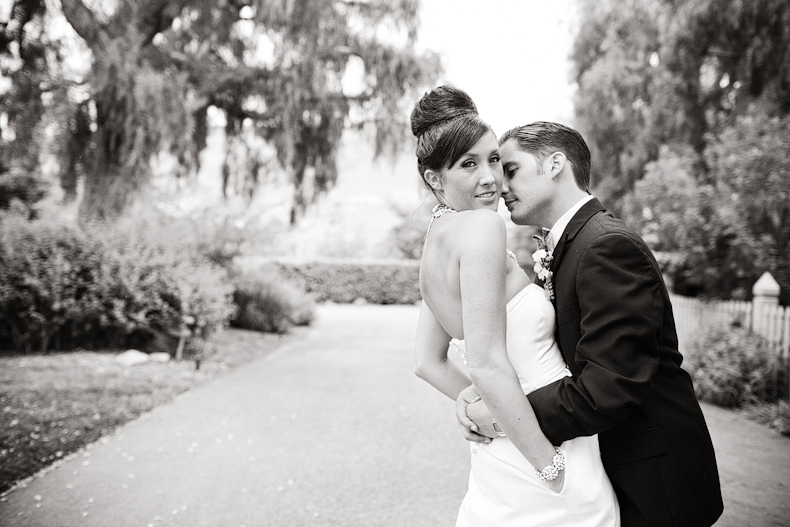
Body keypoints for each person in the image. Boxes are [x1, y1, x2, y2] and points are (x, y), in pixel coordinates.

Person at [458, 122, 724, 527]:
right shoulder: (570, 244)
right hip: (607, 463)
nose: (498, 183)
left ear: (555, 164)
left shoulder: (606, 246)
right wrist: (481, 394)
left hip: (650, 478)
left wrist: (502, 417)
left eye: (510, 169)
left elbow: (609, 387)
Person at [412, 86, 620, 526]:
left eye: (493, 160)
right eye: (469, 164)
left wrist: (476, 404)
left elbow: (427, 362)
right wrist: (548, 464)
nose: (490, 178)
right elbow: (487, 362)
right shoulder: (484, 228)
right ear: (434, 178)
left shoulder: (435, 244)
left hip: (500, 448)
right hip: (544, 449)